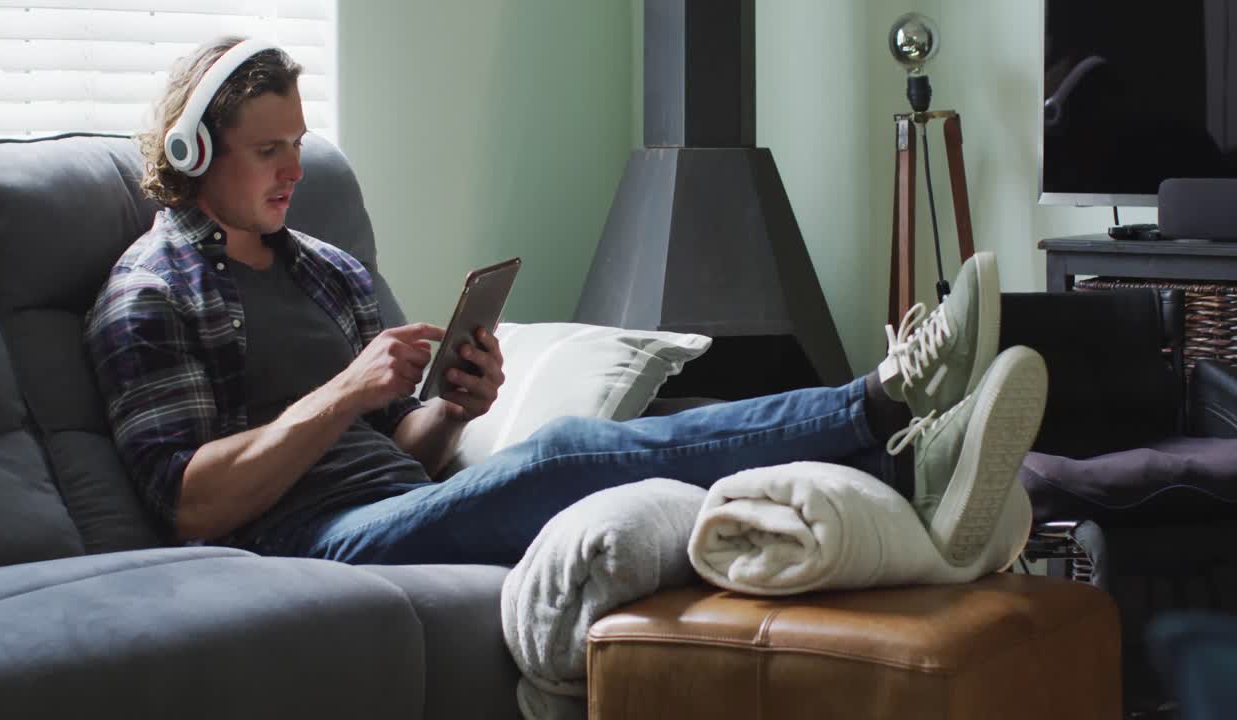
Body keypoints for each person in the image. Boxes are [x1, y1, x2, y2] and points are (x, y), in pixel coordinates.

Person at [84, 37, 1047, 571]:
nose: (295, 169)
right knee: (559, 454)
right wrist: (340, 394)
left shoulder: (321, 267)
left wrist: (450, 406)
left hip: (403, 502)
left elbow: (392, 453)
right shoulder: (153, 293)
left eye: (299, 142)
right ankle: (880, 405)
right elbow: (192, 507)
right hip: (301, 547)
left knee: (638, 458)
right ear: (194, 155)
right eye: (268, 151)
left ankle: (905, 464)